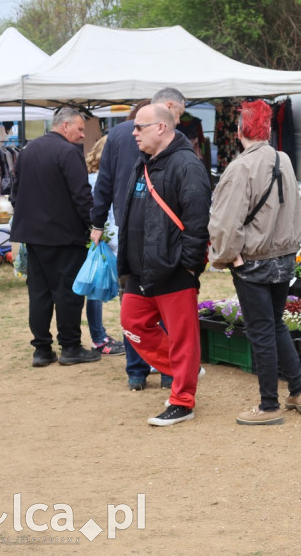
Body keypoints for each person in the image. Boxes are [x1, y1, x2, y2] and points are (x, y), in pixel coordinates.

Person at [208, 100, 301, 425]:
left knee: (262, 330)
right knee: (275, 324)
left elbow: (225, 222)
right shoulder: (283, 159)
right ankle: (298, 391)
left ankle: (269, 406)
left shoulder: (240, 168)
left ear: (240, 131)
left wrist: (228, 256)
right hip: (283, 258)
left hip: (252, 261)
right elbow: (295, 209)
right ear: (267, 129)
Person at [117, 101, 212, 427]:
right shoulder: (143, 163)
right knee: (132, 323)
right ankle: (183, 368)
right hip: (142, 268)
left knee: (184, 338)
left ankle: (183, 400)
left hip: (174, 269)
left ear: (161, 127)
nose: (133, 133)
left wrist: (188, 266)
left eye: (139, 127)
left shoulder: (187, 165)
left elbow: (199, 222)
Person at [11, 107, 102, 367]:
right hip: (64, 236)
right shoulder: (68, 152)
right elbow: (82, 194)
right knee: (68, 293)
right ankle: (70, 346)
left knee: (39, 292)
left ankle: (41, 349)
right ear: (65, 126)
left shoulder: (27, 151)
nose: (83, 135)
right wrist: (95, 225)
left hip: (34, 236)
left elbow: (15, 194)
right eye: (80, 129)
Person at [91, 99, 167, 390]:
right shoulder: (164, 135)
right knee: (163, 300)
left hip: (128, 226)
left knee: (132, 302)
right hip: (160, 227)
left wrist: (98, 223)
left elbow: (104, 183)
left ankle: (136, 371)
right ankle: (167, 371)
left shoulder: (116, 137)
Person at [84, 136, 124, 355]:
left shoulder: (88, 178)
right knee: (101, 291)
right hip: (108, 241)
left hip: (99, 239)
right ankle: (100, 338)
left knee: (95, 290)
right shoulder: (105, 180)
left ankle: (99, 336)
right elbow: (106, 215)